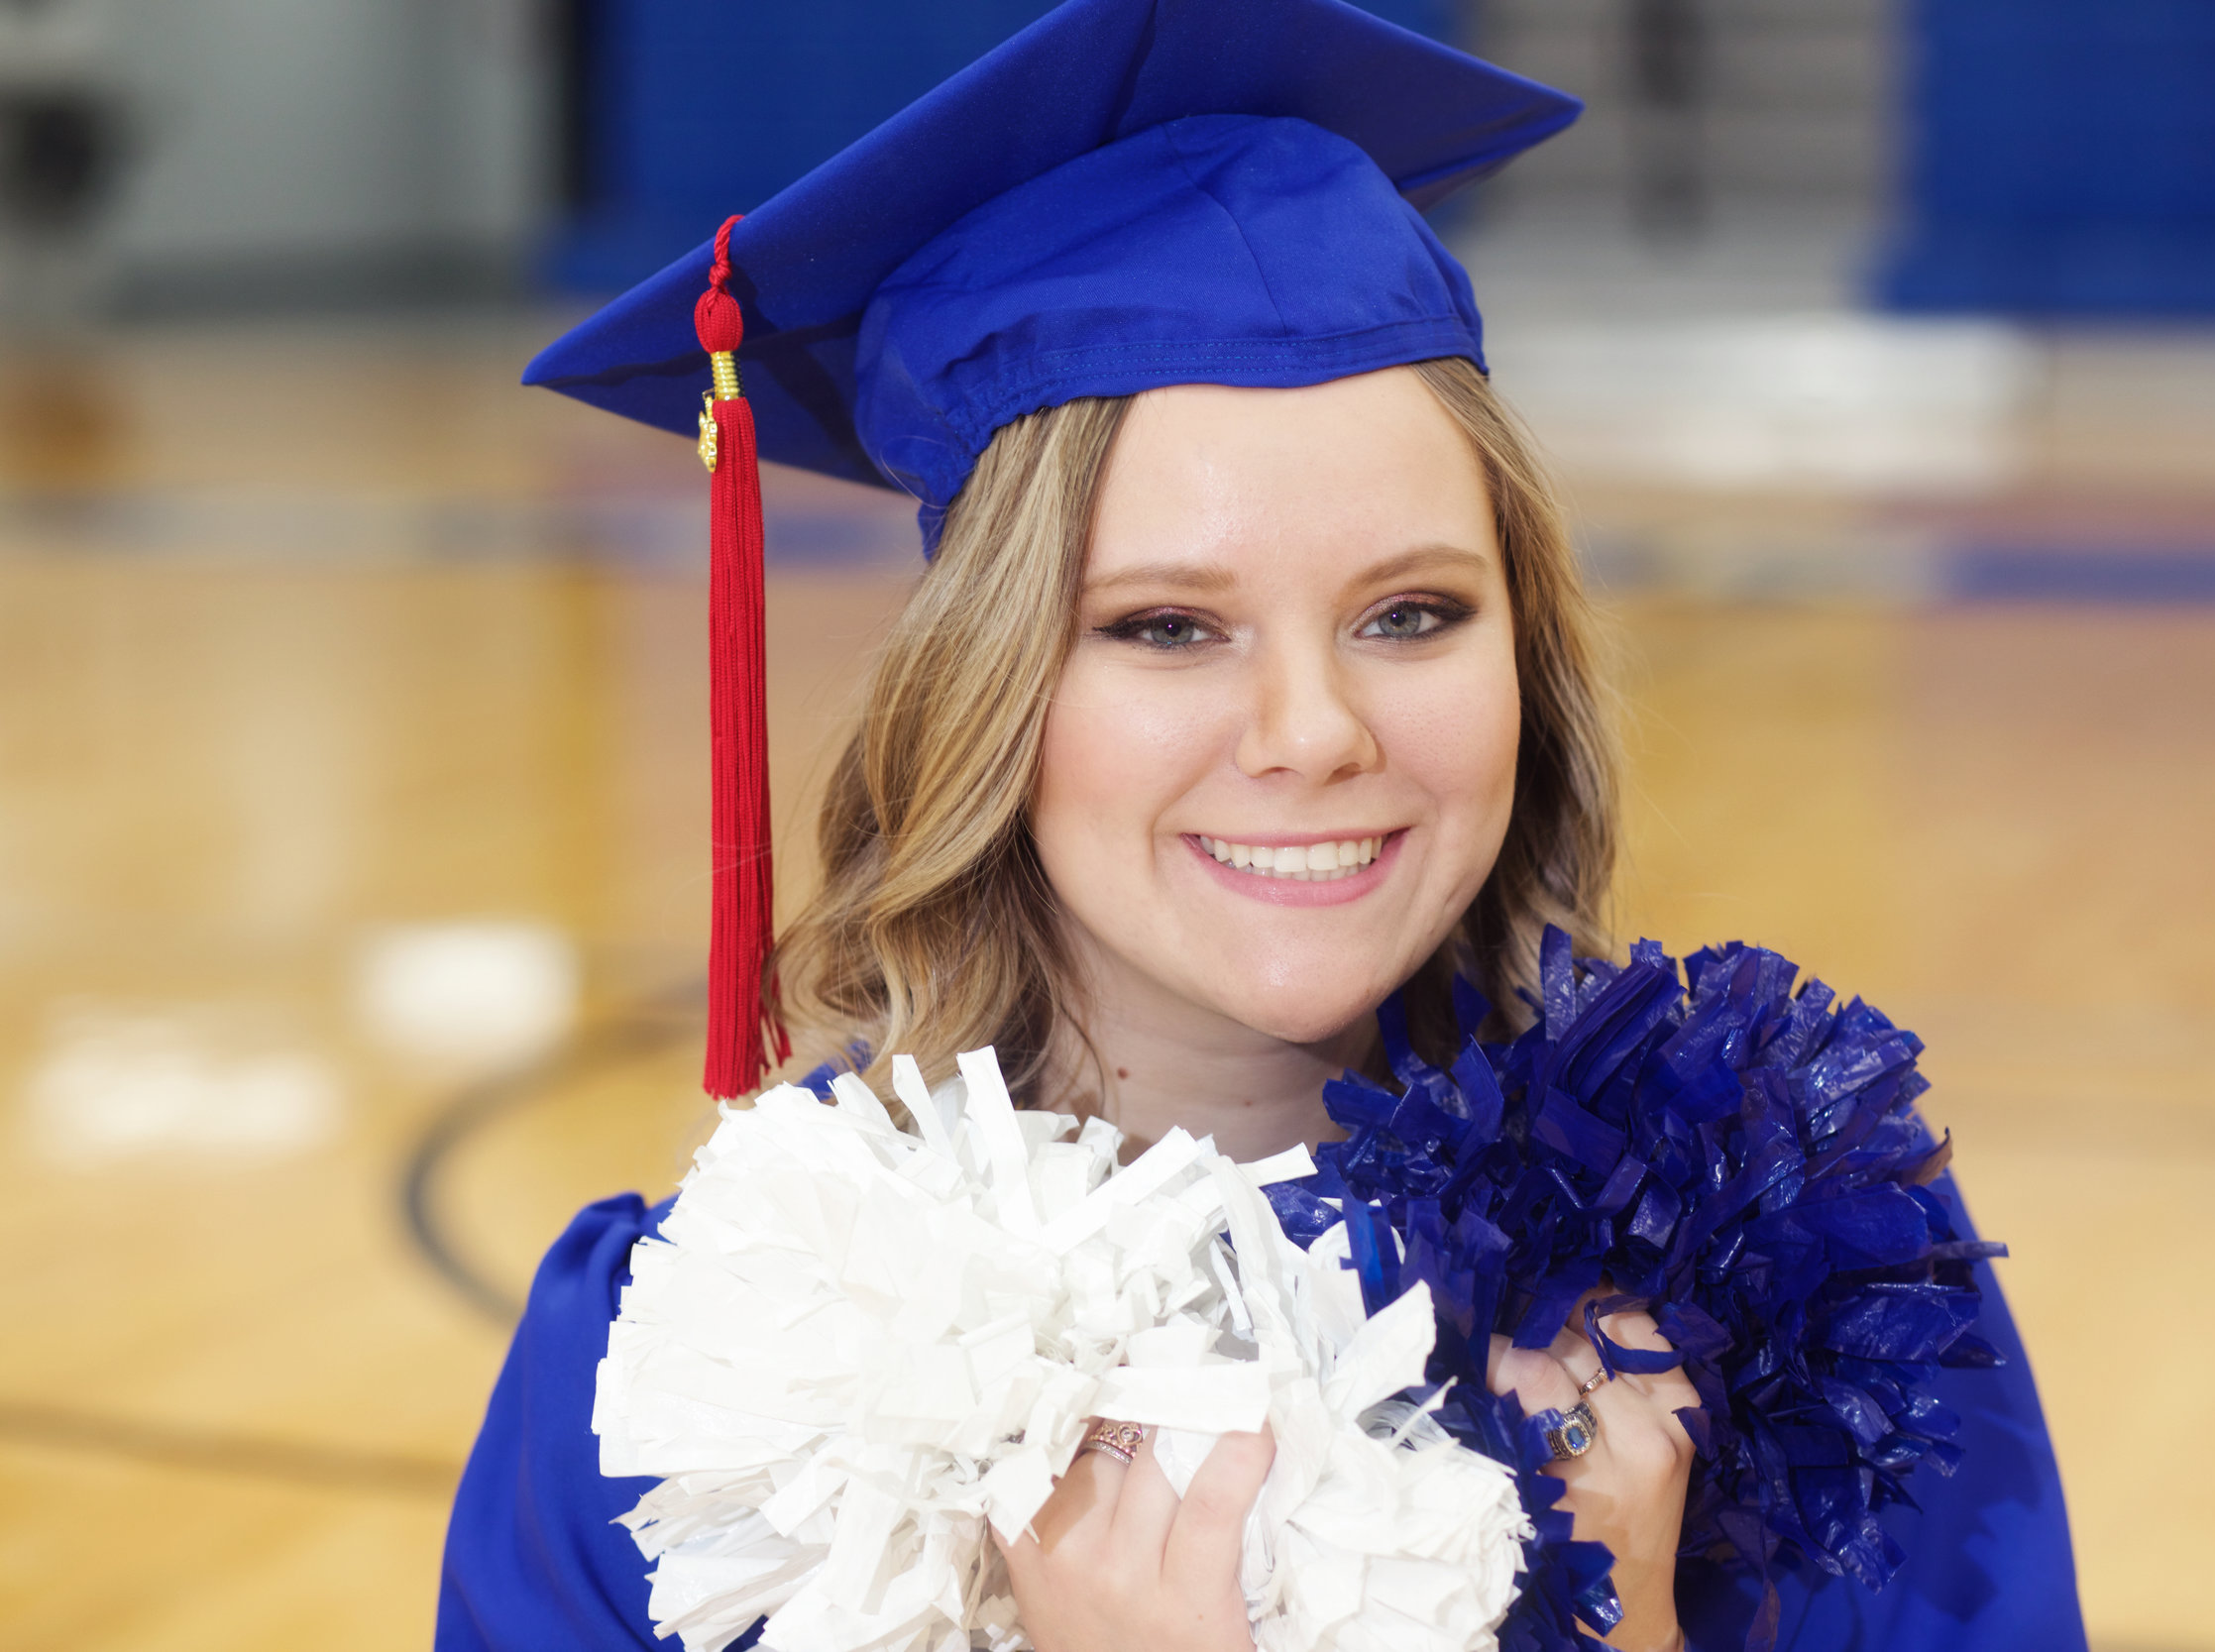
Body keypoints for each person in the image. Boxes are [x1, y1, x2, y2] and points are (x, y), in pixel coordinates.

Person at [436, 3, 2087, 1650]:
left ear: (1530, 658)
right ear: (984, 694)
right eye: (1167, 626)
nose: (1314, 734)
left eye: (1413, 614)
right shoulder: (693, 1374)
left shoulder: (1796, 1285)